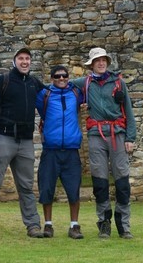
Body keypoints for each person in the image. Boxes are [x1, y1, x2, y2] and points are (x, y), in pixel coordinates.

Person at [0, 46, 46, 238]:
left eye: (27, 58)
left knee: (26, 187)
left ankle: (33, 226)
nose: (24, 62)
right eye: (21, 58)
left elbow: (52, 95)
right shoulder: (2, 81)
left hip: (26, 142)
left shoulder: (33, 83)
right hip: (3, 139)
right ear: (14, 61)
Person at [72, 47, 137, 239]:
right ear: (91, 64)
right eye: (97, 60)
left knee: (122, 181)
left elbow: (129, 111)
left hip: (118, 134)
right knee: (99, 181)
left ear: (107, 63)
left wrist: (130, 138)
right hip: (95, 136)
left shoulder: (118, 83)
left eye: (103, 60)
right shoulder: (84, 83)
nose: (101, 63)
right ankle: (104, 223)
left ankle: (123, 225)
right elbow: (62, 86)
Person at [36, 64, 85, 239]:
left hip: (71, 149)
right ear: (52, 79)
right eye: (57, 76)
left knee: (73, 190)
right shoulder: (45, 94)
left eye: (64, 76)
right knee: (47, 188)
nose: (61, 79)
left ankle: (74, 225)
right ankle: (48, 225)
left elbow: (91, 85)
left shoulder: (76, 93)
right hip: (51, 149)